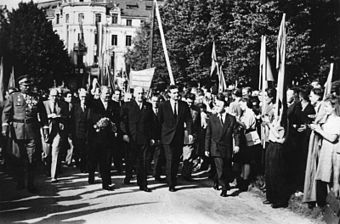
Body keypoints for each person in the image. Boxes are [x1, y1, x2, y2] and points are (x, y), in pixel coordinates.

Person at [2, 75, 48, 193]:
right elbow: (6, 113)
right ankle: (20, 181)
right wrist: (5, 128)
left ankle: (31, 183)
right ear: (19, 86)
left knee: (32, 159)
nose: (27, 87)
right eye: (24, 85)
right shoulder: (13, 97)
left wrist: (45, 128)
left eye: (29, 85)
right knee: (18, 158)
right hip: (17, 131)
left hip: (32, 131)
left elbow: (43, 115)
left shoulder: (36, 97)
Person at [205, 94, 241, 197]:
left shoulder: (231, 119)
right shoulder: (212, 118)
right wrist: (206, 148)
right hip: (215, 147)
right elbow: (208, 134)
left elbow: (236, 133)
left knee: (225, 167)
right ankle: (224, 188)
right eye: (216, 105)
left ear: (225, 107)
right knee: (220, 167)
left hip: (227, 147)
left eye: (219, 106)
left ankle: (217, 180)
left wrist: (237, 145)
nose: (217, 108)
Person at [158, 85, 193, 192]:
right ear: (169, 94)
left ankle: (173, 178)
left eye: (177, 92)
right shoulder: (163, 105)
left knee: (176, 160)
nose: (176, 94)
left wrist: (190, 133)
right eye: (173, 93)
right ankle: (171, 182)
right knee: (170, 159)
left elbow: (189, 120)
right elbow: (159, 122)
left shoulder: (184, 105)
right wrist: (158, 137)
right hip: (167, 137)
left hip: (179, 136)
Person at [120, 87, 153, 192]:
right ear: (134, 94)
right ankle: (128, 176)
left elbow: (151, 123)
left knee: (143, 161)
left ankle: (143, 184)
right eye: (138, 93)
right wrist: (125, 134)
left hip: (144, 138)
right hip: (131, 138)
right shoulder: (127, 106)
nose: (140, 95)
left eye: (142, 93)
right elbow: (122, 121)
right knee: (130, 160)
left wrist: (152, 137)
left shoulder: (148, 106)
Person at [88, 86, 119, 191]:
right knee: (93, 159)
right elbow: (90, 117)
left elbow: (117, 118)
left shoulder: (114, 104)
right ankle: (91, 175)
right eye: (106, 93)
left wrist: (114, 127)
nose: (108, 95)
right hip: (95, 136)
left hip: (108, 137)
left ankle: (106, 183)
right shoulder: (94, 103)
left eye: (109, 93)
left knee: (106, 160)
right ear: (100, 93)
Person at [311, 95, 340, 208]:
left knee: (332, 178)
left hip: (332, 151)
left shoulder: (338, 120)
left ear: (334, 107)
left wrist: (319, 130)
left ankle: (334, 205)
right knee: (324, 177)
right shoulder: (329, 118)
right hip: (325, 149)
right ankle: (327, 205)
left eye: (327, 106)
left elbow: (333, 138)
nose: (325, 109)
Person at [43, 88, 69, 182]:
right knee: (46, 153)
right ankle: (46, 170)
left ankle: (54, 176)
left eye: (56, 96)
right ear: (49, 96)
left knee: (56, 153)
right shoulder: (44, 104)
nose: (54, 98)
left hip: (58, 130)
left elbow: (67, 116)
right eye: (52, 96)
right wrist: (48, 116)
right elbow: (38, 116)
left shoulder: (62, 104)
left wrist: (60, 116)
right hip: (46, 131)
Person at [182, 93, 201, 180]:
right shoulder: (181, 107)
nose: (189, 104)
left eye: (191, 102)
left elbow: (198, 123)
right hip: (180, 132)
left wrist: (197, 134)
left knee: (189, 154)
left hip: (190, 134)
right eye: (188, 102)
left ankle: (186, 174)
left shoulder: (196, 109)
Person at [71, 88, 90, 173]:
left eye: (85, 96)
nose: (83, 98)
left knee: (86, 150)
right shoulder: (75, 106)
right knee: (80, 149)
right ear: (79, 96)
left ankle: (85, 166)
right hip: (77, 131)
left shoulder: (89, 106)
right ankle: (80, 164)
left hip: (87, 131)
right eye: (82, 96)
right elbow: (72, 120)